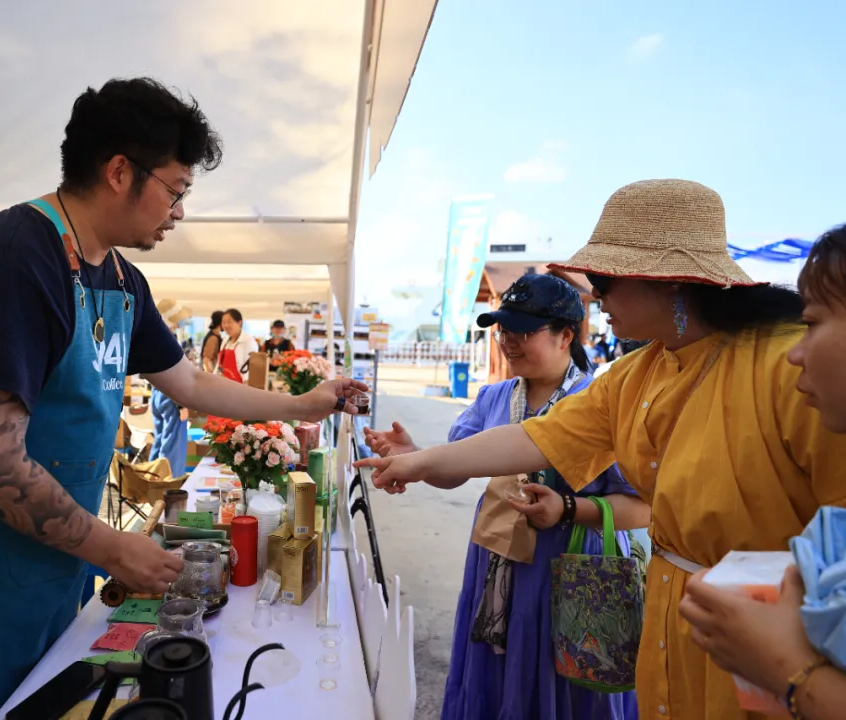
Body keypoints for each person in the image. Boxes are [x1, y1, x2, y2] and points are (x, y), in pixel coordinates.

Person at [0, 77, 368, 720]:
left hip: (42, 561)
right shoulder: (15, 261)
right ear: (120, 170)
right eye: (176, 190)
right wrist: (117, 548)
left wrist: (303, 404)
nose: (179, 211)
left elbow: (189, 382)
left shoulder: (122, 279)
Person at [354, 179, 846, 719]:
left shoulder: (790, 368)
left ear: (671, 283)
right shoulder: (635, 374)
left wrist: (802, 673)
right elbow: (535, 437)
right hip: (672, 622)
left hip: (766, 641)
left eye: (605, 279)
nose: (596, 295)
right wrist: (418, 462)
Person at [365, 274, 646, 719]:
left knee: (567, 686)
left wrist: (569, 508)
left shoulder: (597, 403)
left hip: (569, 573)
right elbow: (453, 475)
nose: (508, 342)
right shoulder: (493, 397)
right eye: (502, 331)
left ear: (565, 335)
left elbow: (641, 507)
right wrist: (418, 457)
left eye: (521, 331)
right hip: (493, 565)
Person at [680, 223, 846, 720]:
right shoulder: (636, 373)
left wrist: (791, 672)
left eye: (813, 324)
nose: (797, 352)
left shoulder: (775, 368)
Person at [151, 299, 192, 476]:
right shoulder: (168, 340)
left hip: (157, 394)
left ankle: (152, 480)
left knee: (160, 440)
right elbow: (174, 375)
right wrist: (181, 404)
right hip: (171, 396)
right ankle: (167, 483)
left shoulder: (151, 336)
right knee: (172, 445)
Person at [218, 308, 259, 383]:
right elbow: (219, 366)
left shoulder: (248, 341)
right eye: (223, 322)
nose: (226, 325)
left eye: (229, 322)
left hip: (240, 387)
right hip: (224, 385)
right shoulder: (225, 340)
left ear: (239, 323)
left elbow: (251, 370)